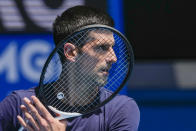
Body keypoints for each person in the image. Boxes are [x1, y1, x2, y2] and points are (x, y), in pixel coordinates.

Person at [0, 5, 140, 131]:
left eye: (112, 47)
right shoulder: (16, 105)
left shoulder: (120, 110)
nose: (113, 58)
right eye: (102, 47)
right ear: (71, 52)